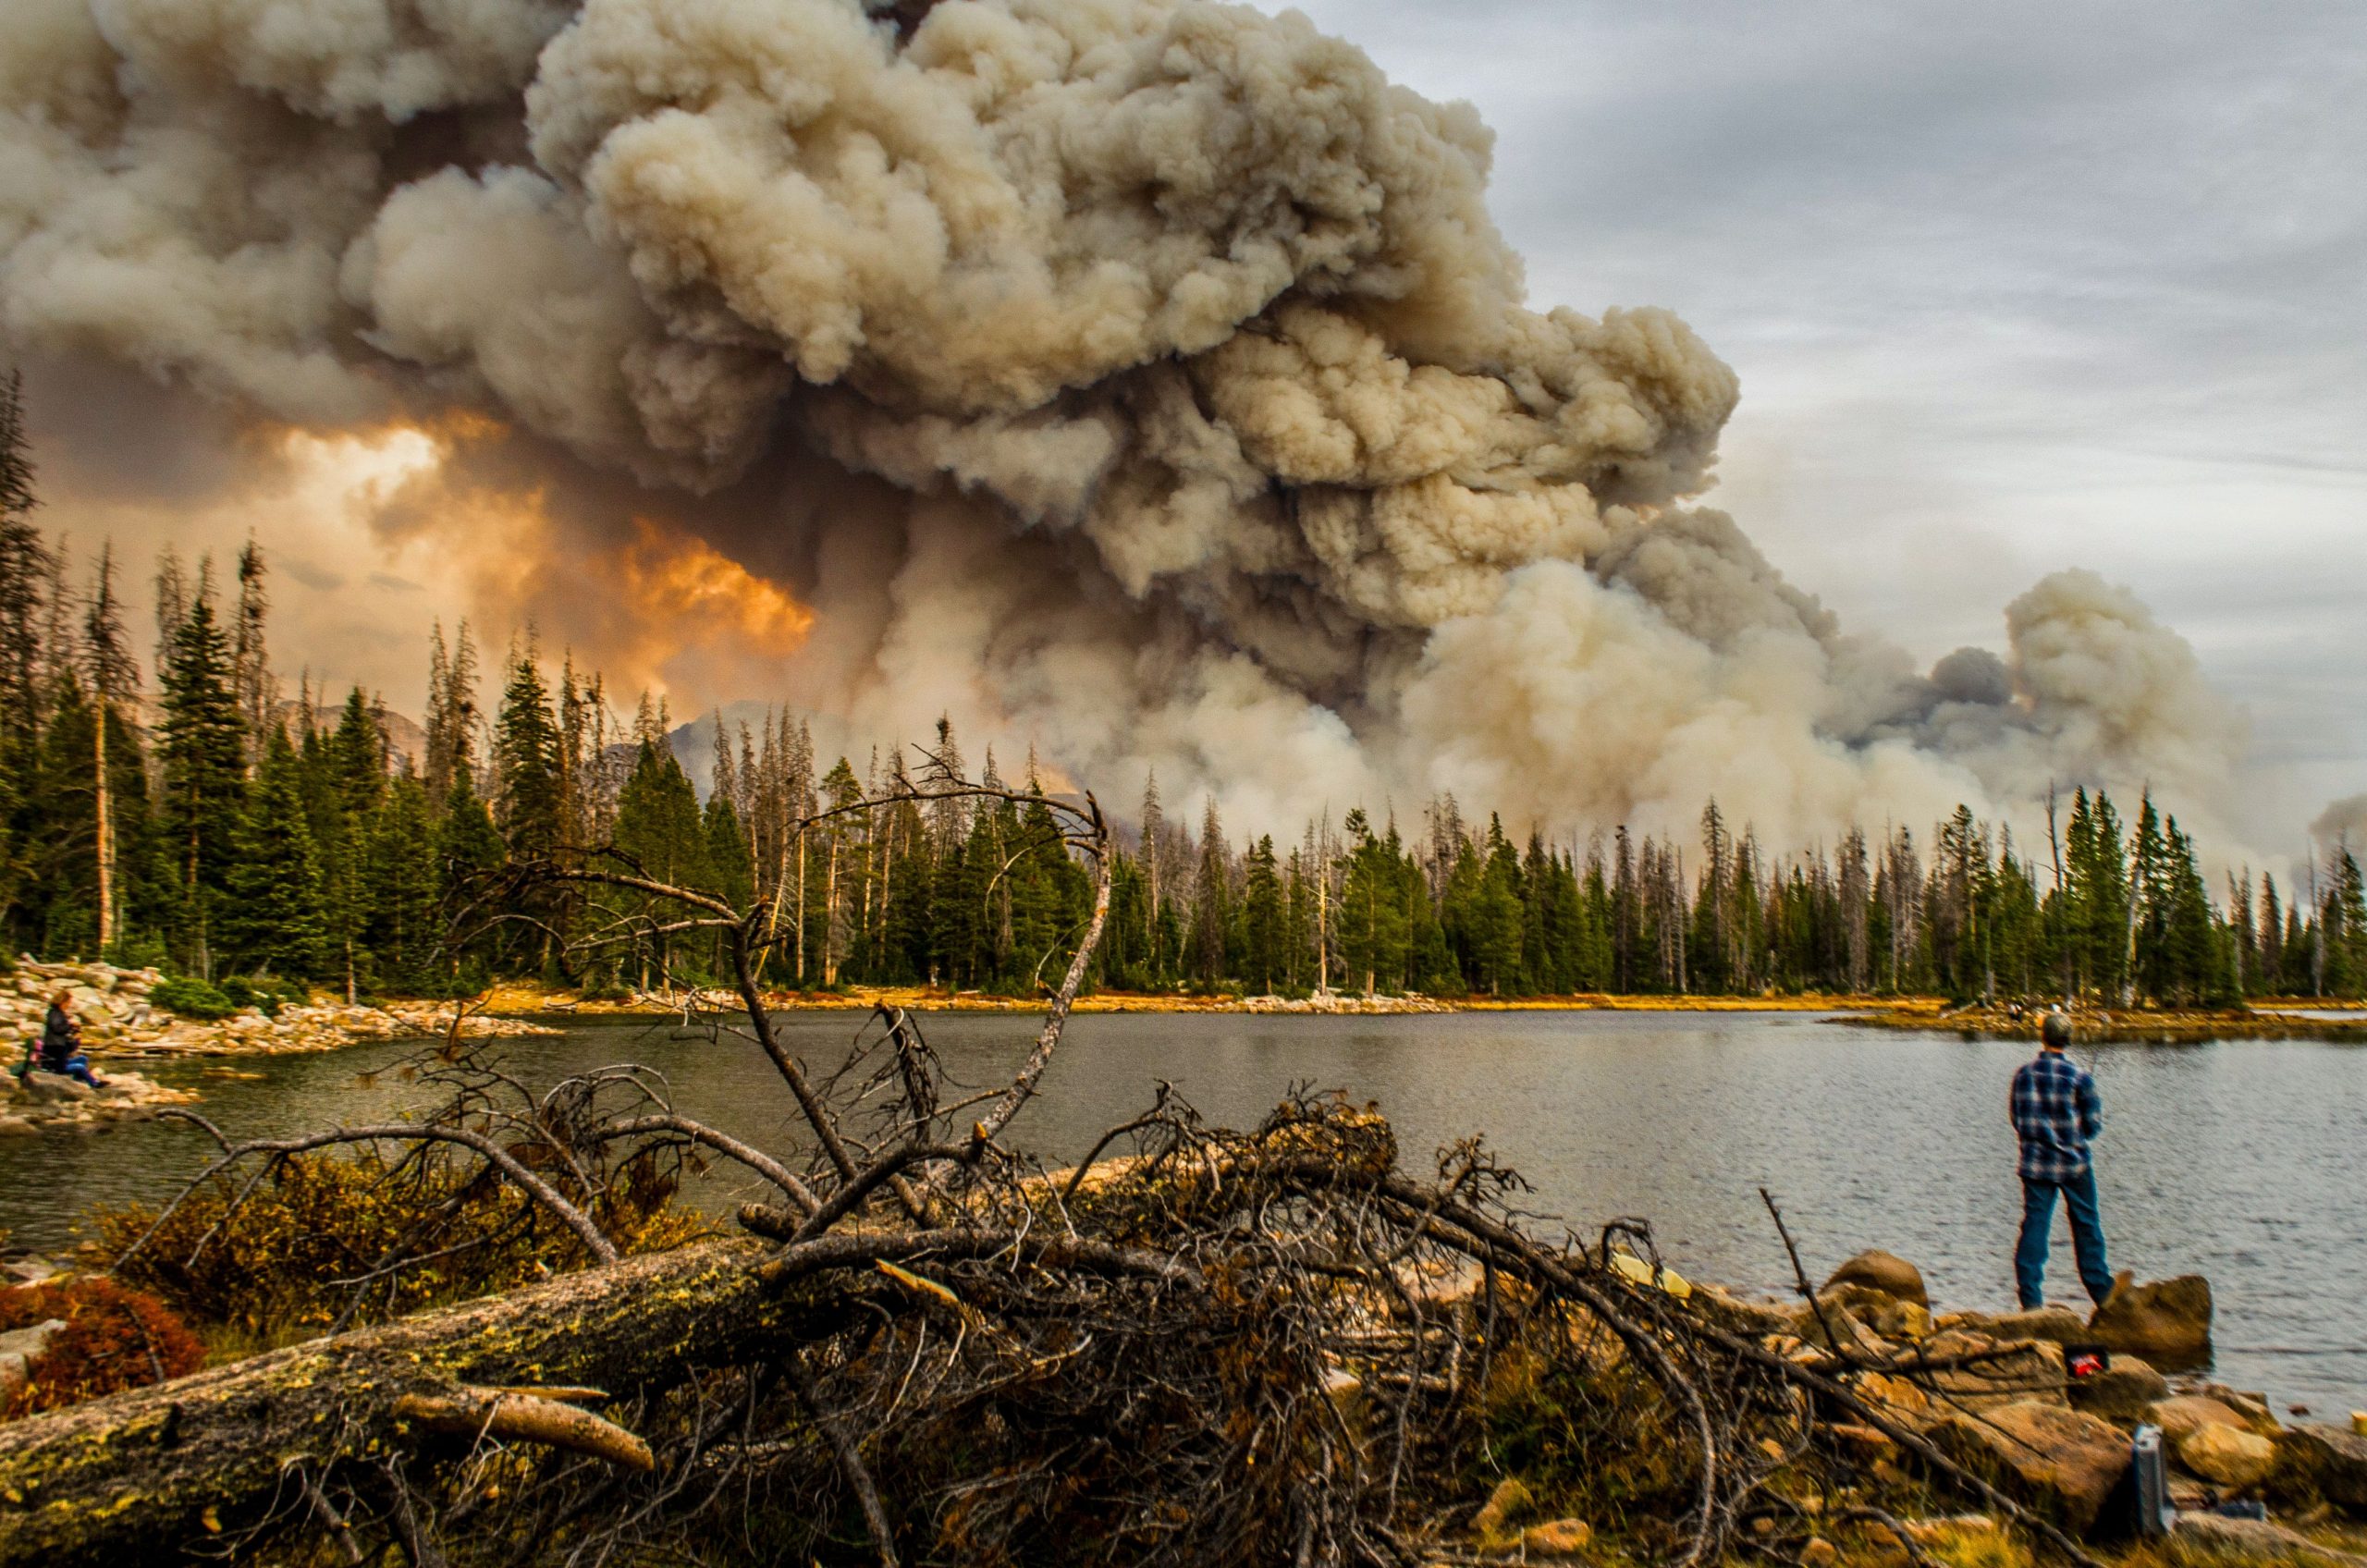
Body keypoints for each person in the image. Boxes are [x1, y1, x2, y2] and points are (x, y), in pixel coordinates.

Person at [2009, 1010, 2109, 1310]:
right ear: (2068, 1039)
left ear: (2043, 1036)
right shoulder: (2080, 1078)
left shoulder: (2023, 1075)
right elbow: (2092, 1126)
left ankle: (2030, 1300)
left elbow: (2017, 1119)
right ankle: (2103, 1293)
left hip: (2035, 1164)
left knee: (2035, 1226)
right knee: (2086, 1226)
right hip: (2074, 1165)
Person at [37, 990, 104, 1089]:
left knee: (83, 1059)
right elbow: (57, 1028)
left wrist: (76, 1038)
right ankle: (94, 1084)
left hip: (60, 1058)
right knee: (80, 1067)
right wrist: (70, 1025)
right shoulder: (54, 1014)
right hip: (56, 1064)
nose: (69, 1005)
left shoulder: (59, 1015)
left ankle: (81, 1079)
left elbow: (69, 1047)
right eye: (68, 1003)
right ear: (62, 1002)